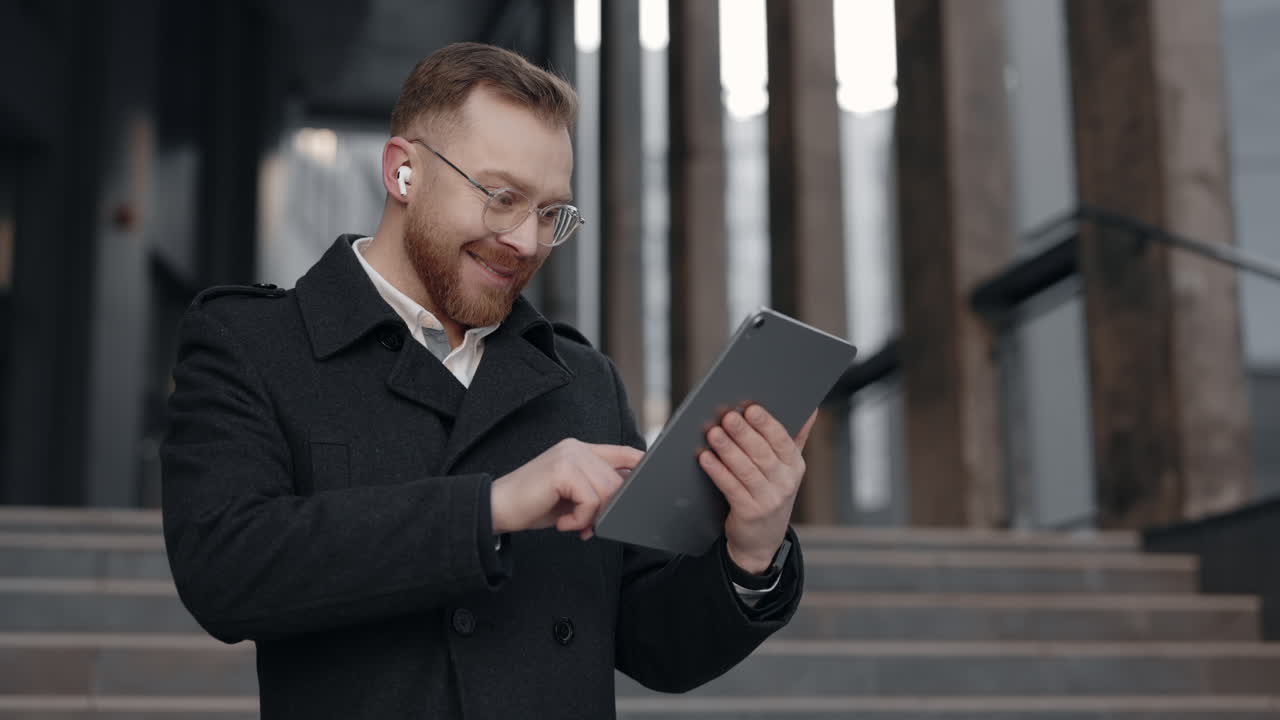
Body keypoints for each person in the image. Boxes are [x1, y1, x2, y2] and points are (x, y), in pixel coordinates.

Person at [162, 42, 811, 719]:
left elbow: (655, 642)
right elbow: (224, 568)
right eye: (502, 198)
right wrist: (491, 508)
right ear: (403, 171)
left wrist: (750, 553)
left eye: (550, 213)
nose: (526, 241)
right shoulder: (255, 344)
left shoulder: (583, 380)